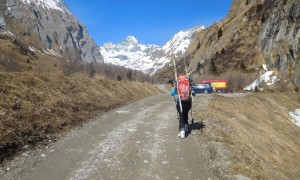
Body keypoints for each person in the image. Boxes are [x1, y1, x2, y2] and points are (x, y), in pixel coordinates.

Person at [170, 74, 195, 139]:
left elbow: (172, 94)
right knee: (185, 114)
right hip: (188, 103)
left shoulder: (178, 86)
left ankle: (182, 131)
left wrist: (173, 89)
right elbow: (194, 94)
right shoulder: (189, 85)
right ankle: (186, 127)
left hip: (180, 103)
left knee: (181, 116)